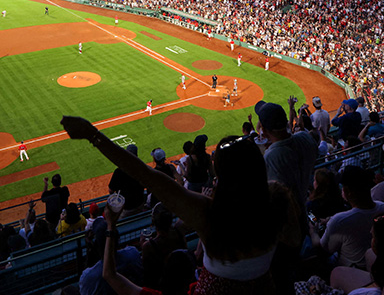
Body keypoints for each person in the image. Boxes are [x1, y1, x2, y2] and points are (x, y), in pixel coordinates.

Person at [61, 116, 290, 293]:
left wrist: (93, 135)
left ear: (220, 176)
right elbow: (295, 240)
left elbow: (145, 174)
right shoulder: (278, 199)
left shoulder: (210, 215)